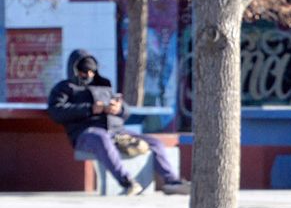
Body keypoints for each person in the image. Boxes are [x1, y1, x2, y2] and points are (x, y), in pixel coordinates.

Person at [47, 50, 190, 196]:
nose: (89, 75)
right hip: (86, 132)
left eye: (92, 71)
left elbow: (125, 110)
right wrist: (90, 109)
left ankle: (172, 182)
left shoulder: (103, 85)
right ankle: (128, 182)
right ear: (75, 70)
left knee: (155, 143)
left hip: (117, 131)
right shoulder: (63, 88)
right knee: (100, 138)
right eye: (85, 72)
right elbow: (56, 111)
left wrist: (118, 109)